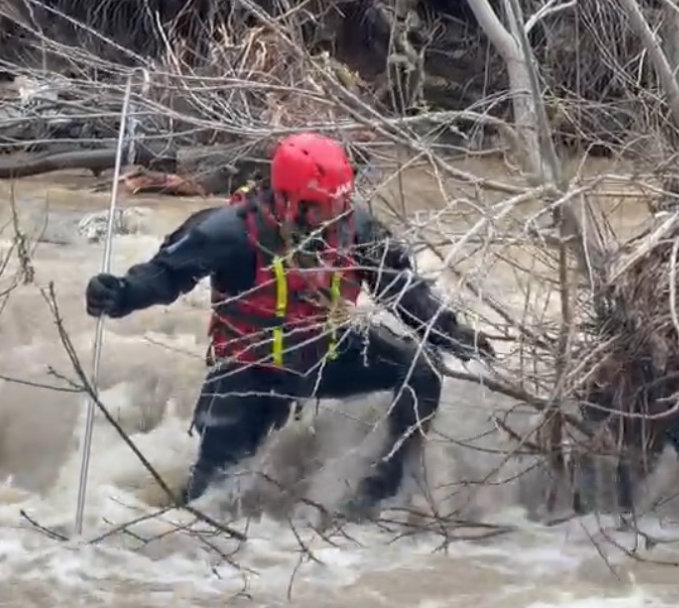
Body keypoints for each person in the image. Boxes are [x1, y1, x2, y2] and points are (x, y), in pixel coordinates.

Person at [85, 132, 492, 515]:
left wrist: (453, 335)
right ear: (286, 200)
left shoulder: (357, 228)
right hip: (248, 372)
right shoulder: (229, 231)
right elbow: (165, 275)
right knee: (210, 500)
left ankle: (383, 491)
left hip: (325, 356)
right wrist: (120, 295)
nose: (332, 217)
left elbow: (403, 291)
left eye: (338, 204)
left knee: (420, 369)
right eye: (319, 207)